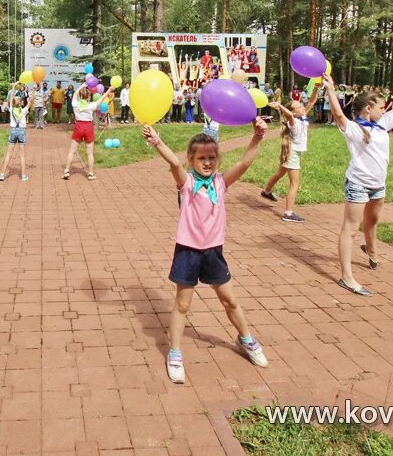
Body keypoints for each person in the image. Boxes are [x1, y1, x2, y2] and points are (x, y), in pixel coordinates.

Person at [142, 117, 270, 385]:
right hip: (188, 252)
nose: (207, 162)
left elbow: (245, 163)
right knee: (182, 304)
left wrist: (256, 138)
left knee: (230, 300)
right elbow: (174, 164)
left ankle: (246, 338)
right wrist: (157, 142)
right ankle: (175, 353)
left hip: (213, 253)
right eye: (201, 158)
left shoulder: (220, 183)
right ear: (192, 159)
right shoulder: (186, 183)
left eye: (212, 157)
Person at [322, 66, 393, 296]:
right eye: (382, 107)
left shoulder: (383, 123)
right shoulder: (353, 129)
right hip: (358, 185)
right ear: (368, 108)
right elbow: (339, 115)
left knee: (372, 222)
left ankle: (371, 252)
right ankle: (346, 277)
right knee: (351, 229)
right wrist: (331, 90)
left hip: (378, 185)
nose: (386, 110)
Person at [260, 84, 321, 222]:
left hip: (291, 152)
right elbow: (288, 114)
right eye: (299, 107)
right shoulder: (292, 121)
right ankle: (288, 213)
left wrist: (316, 89)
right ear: (293, 112)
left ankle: (266, 191)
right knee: (294, 183)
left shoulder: (301, 117)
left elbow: (311, 101)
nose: (302, 107)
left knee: (280, 173)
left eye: (301, 105)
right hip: (292, 154)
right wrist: (280, 107)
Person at [62, 87, 112, 181]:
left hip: (79, 126)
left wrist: (82, 86)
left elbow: (75, 94)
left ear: (80, 96)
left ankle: (66, 171)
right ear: (89, 96)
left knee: (72, 151)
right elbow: (102, 98)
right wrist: (109, 90)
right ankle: (90, 173)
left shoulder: (75, 103)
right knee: (90, 153)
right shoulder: (91, 105)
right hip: (88, 127)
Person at [0, 92, 29, 181]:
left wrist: (13, 88)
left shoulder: (11, 109)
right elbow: (31, 100)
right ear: (21, 103)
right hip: (21, 131)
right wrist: (33, 90)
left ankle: (2, 174)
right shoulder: (24, 110)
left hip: (13, 130)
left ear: (13, 103)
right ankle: (23, 176)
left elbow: (10, 98)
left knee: (9, 153)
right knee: (22, 155)